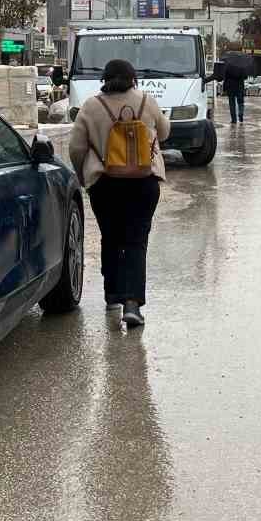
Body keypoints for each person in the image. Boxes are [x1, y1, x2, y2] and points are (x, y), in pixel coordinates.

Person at [69, 59, 169, 328]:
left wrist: (84, 176)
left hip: (105, 184)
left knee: (111, 237)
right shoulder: (146, 101)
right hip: (143, 182)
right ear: (133, 78)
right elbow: (164, 131)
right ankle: (132, 304)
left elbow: (76, 148)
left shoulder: (91, 106)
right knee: (136, 241)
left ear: (104, 78)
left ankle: (112, 292)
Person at [214, 57, 246, 124]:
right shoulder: (242, 67)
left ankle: (234, 120)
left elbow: (225, 78)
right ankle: (241, 114)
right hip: (240, 88)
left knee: (232, 104)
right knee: (240, 102)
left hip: (230, 88)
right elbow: (245, 77)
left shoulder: (228, 67)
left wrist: (224, 89)